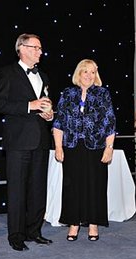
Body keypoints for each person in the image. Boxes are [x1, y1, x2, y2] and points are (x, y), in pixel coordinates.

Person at [0, 33, 54, 251]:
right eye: (36, 47)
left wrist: (49, 115)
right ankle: (16, 236)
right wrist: (30, 105)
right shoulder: (7, 73)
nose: (40, 51)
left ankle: (34, 231)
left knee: (38, 189)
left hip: (41, 140)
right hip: (18, 141)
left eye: (40, 48)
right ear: (23, 48)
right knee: (17, 190)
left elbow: (44, 105)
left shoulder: (44, 76)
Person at [52, 59, 116, 242]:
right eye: (85, 71)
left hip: (96, 146)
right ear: (78, 73)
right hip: (72, 146)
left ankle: (94, 223)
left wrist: (109, 147)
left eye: (93, 72)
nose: (89, 75)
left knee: (95, 185)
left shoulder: (103, 93)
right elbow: (59, 122)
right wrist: (58, 146)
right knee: (72, 186)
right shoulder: (67, 93)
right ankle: (74, 223)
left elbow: (110, 122)